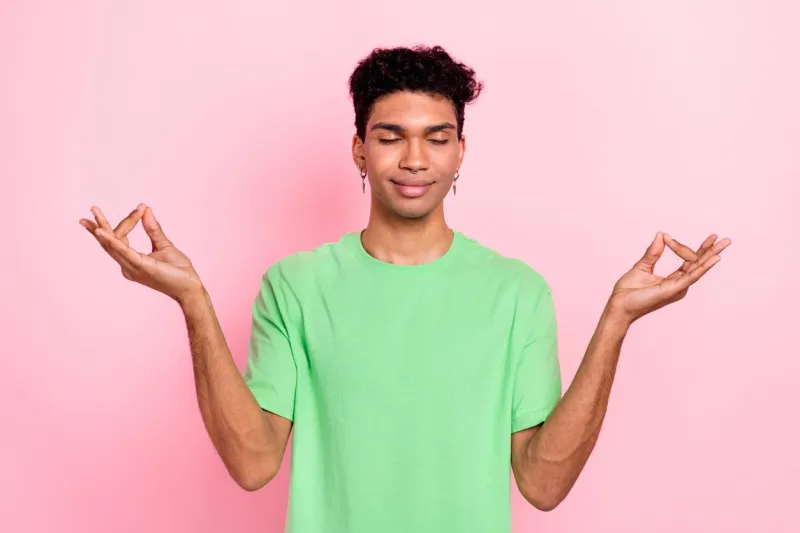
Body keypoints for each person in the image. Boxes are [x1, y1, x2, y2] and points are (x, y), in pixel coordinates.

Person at [80, 45, 730, 533]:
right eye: (391, 137)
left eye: (435, 138)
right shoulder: (297, 285)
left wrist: (617, 318)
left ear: (459, 152)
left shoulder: (516, 292)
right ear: (360, 150)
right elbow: (253, 464)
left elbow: (542, 482)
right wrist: (192, 300)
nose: (414, 158)